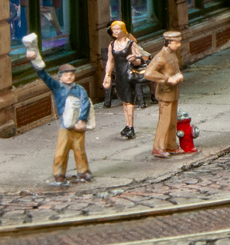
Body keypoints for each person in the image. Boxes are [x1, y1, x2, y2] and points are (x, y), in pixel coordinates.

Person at [26, 34, 93, 184]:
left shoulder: (79, 89)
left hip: (77, 125)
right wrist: (34, 60)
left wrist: (82, 120)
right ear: (60, 77)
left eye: (71, 75)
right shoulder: (57, 87)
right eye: (66, 75)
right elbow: (44, 75)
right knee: (61, 151)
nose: (69, 77)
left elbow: (85, 104)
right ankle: (59, 173)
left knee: (79, 150)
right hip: (65, 125)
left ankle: (83, 171)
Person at [143, 31, 189, 158]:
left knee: (172, 121)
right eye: (176, 42)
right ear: (169, 44)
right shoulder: (161, 57)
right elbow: (148, 73)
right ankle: (158, 147)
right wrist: (167, 79)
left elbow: (174, 68)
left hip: (173, 92)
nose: (178, 45)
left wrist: (178, 76)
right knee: (164, 121)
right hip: (165, 93)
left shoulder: (172, 54)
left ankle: (171, 145)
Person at [102, 21, 144, 139]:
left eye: (117, 29)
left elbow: (139, 60)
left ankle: (131, 127)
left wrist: (134, 59)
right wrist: (108, 75)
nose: (115, 32)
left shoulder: (131, 44)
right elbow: (110, 61)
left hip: (129, 75)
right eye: (113, 29)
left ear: (123, 30)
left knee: (129, 100)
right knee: (124, 101)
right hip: (119, 75)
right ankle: (127, 124)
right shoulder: (112, 45)